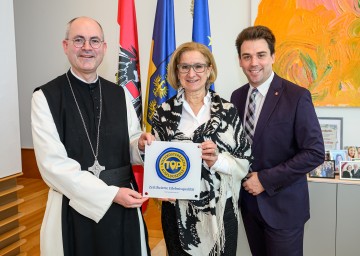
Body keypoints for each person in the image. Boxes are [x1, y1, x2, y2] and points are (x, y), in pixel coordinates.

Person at [31, 17, 154, 256]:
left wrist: (139, 145)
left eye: (94, 41)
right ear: (65, 46)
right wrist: (110, 195)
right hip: (73, 206)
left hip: (123, 204)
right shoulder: (45, 97)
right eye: (79, 40)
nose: (87, 47)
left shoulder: (120, 94)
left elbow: (130, 142)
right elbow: (52, 165)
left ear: (104, 48)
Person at [230, 25, 325, 256]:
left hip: (284, 208)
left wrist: (265, 179)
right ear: (240, 61)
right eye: (247, 56)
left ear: (273, 56)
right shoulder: (237, 97)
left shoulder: (296, 96)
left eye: (261, 55)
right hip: (249, 206)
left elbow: (314, 152)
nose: (254, 63)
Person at [151, 42, 252, 255]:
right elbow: (155, 163)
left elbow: (244, 162)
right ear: (176, 72)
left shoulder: (227, 111)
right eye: (184, 67)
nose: (192, 73)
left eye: (199, 66)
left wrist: (217, 160)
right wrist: (160, 186)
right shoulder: (164, 113)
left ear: (209, 70)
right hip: (177, 212)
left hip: (221, 211)